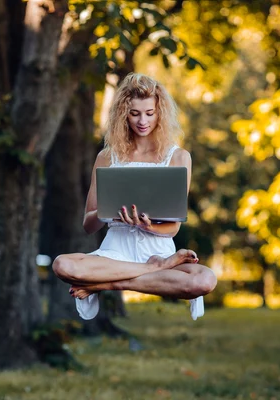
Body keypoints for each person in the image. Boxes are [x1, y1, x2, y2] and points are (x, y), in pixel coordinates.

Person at [52, 73, 217, 320]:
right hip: (114, 255)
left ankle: (107, 284)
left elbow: (173, 228)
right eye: (134, 113)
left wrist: (148, 225)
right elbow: (89, 225)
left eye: (149, 113)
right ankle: (151, 269)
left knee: (205, 280)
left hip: (159, 251)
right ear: (122, 114)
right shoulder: (107, 157)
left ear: (160, 112)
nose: (142, 121)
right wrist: (108, 210)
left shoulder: (179, 157)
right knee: (62, 265)